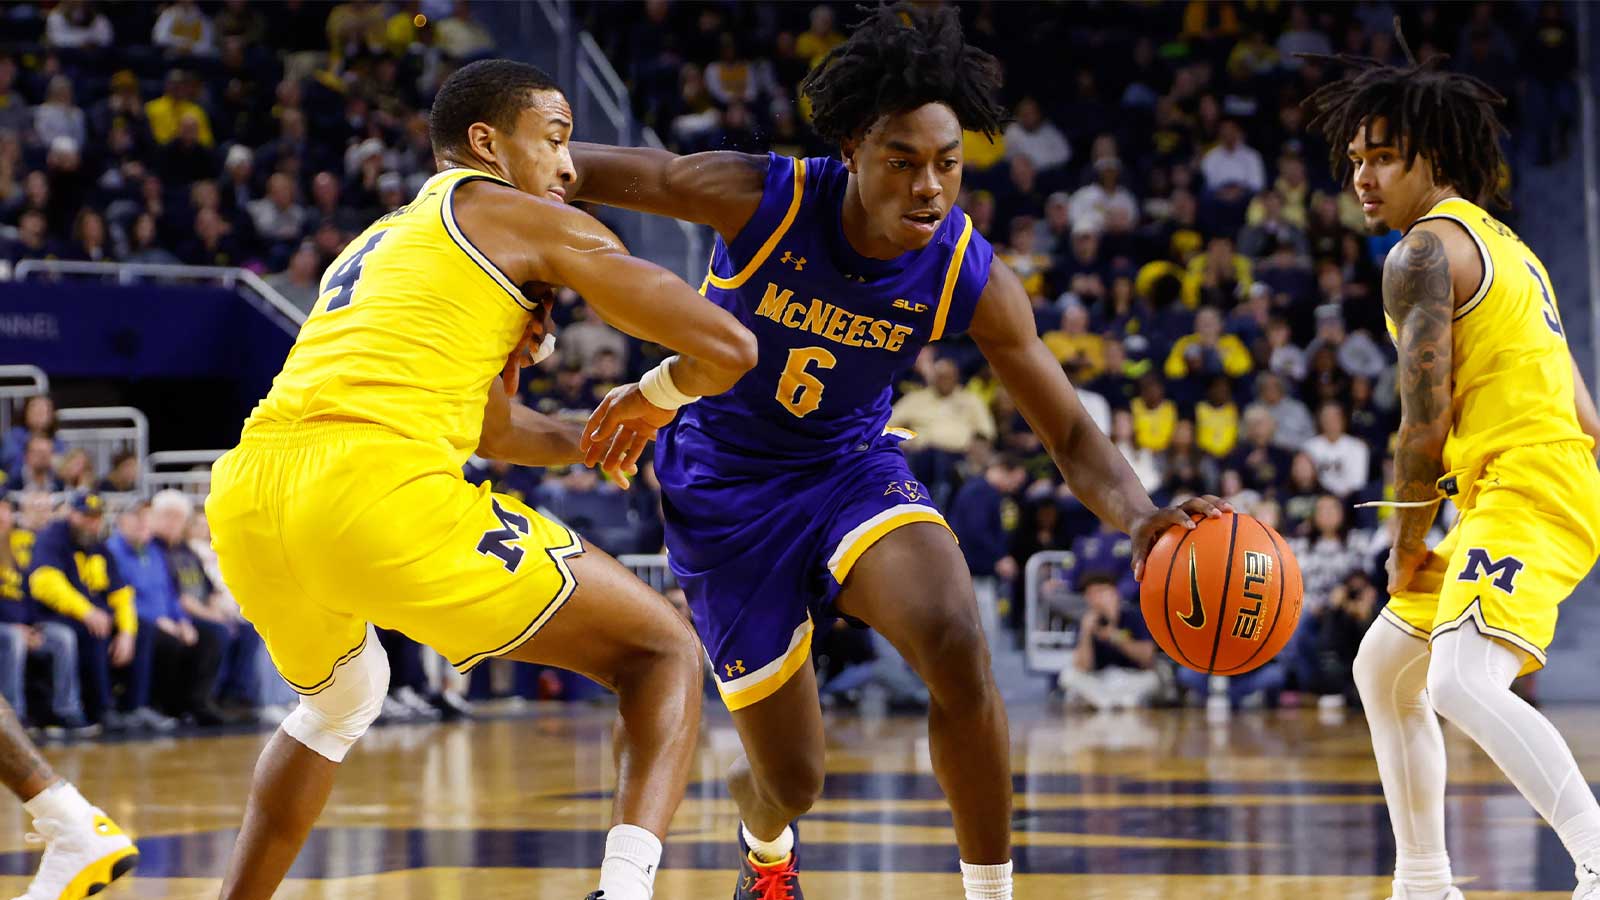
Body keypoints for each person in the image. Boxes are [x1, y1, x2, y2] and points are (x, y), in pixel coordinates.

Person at [568, 7, 1225, 898]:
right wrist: (476, 177)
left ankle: (990, 892)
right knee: (793, 780)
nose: (929, 187)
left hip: (848, 467)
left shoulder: (966, 269)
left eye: (947, 165)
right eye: (903, 162)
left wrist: (1142, 514)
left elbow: (1067, 431)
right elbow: (578, 173)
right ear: (852, 149)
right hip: (725, 487)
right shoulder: (761, 196)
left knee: (957, 636)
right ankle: (766, 847)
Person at [203, 59, 757, 900]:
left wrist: (589, 438)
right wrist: (655, 396)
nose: (572, 168)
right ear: (487, 144)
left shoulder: (380, 239)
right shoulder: (528, 219)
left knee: (340, 702)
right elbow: (730, 348)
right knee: (662, 651)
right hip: (374, 487)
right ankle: (626, 891)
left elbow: (495, 430)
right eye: (558, 140)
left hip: (249, 495)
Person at [1304, 36, 1600, 900]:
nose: (1363, 177)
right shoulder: (1506, 245)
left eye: (1383, 157)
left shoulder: (1422, 255)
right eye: (1356, 158)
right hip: (1519, 481)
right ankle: (1424, 881)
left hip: (1528, 482)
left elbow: (1421, 427)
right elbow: (1576, 392)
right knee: (1381, 669)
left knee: (1460, 679)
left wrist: (1403, 546)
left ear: (1433, 157)